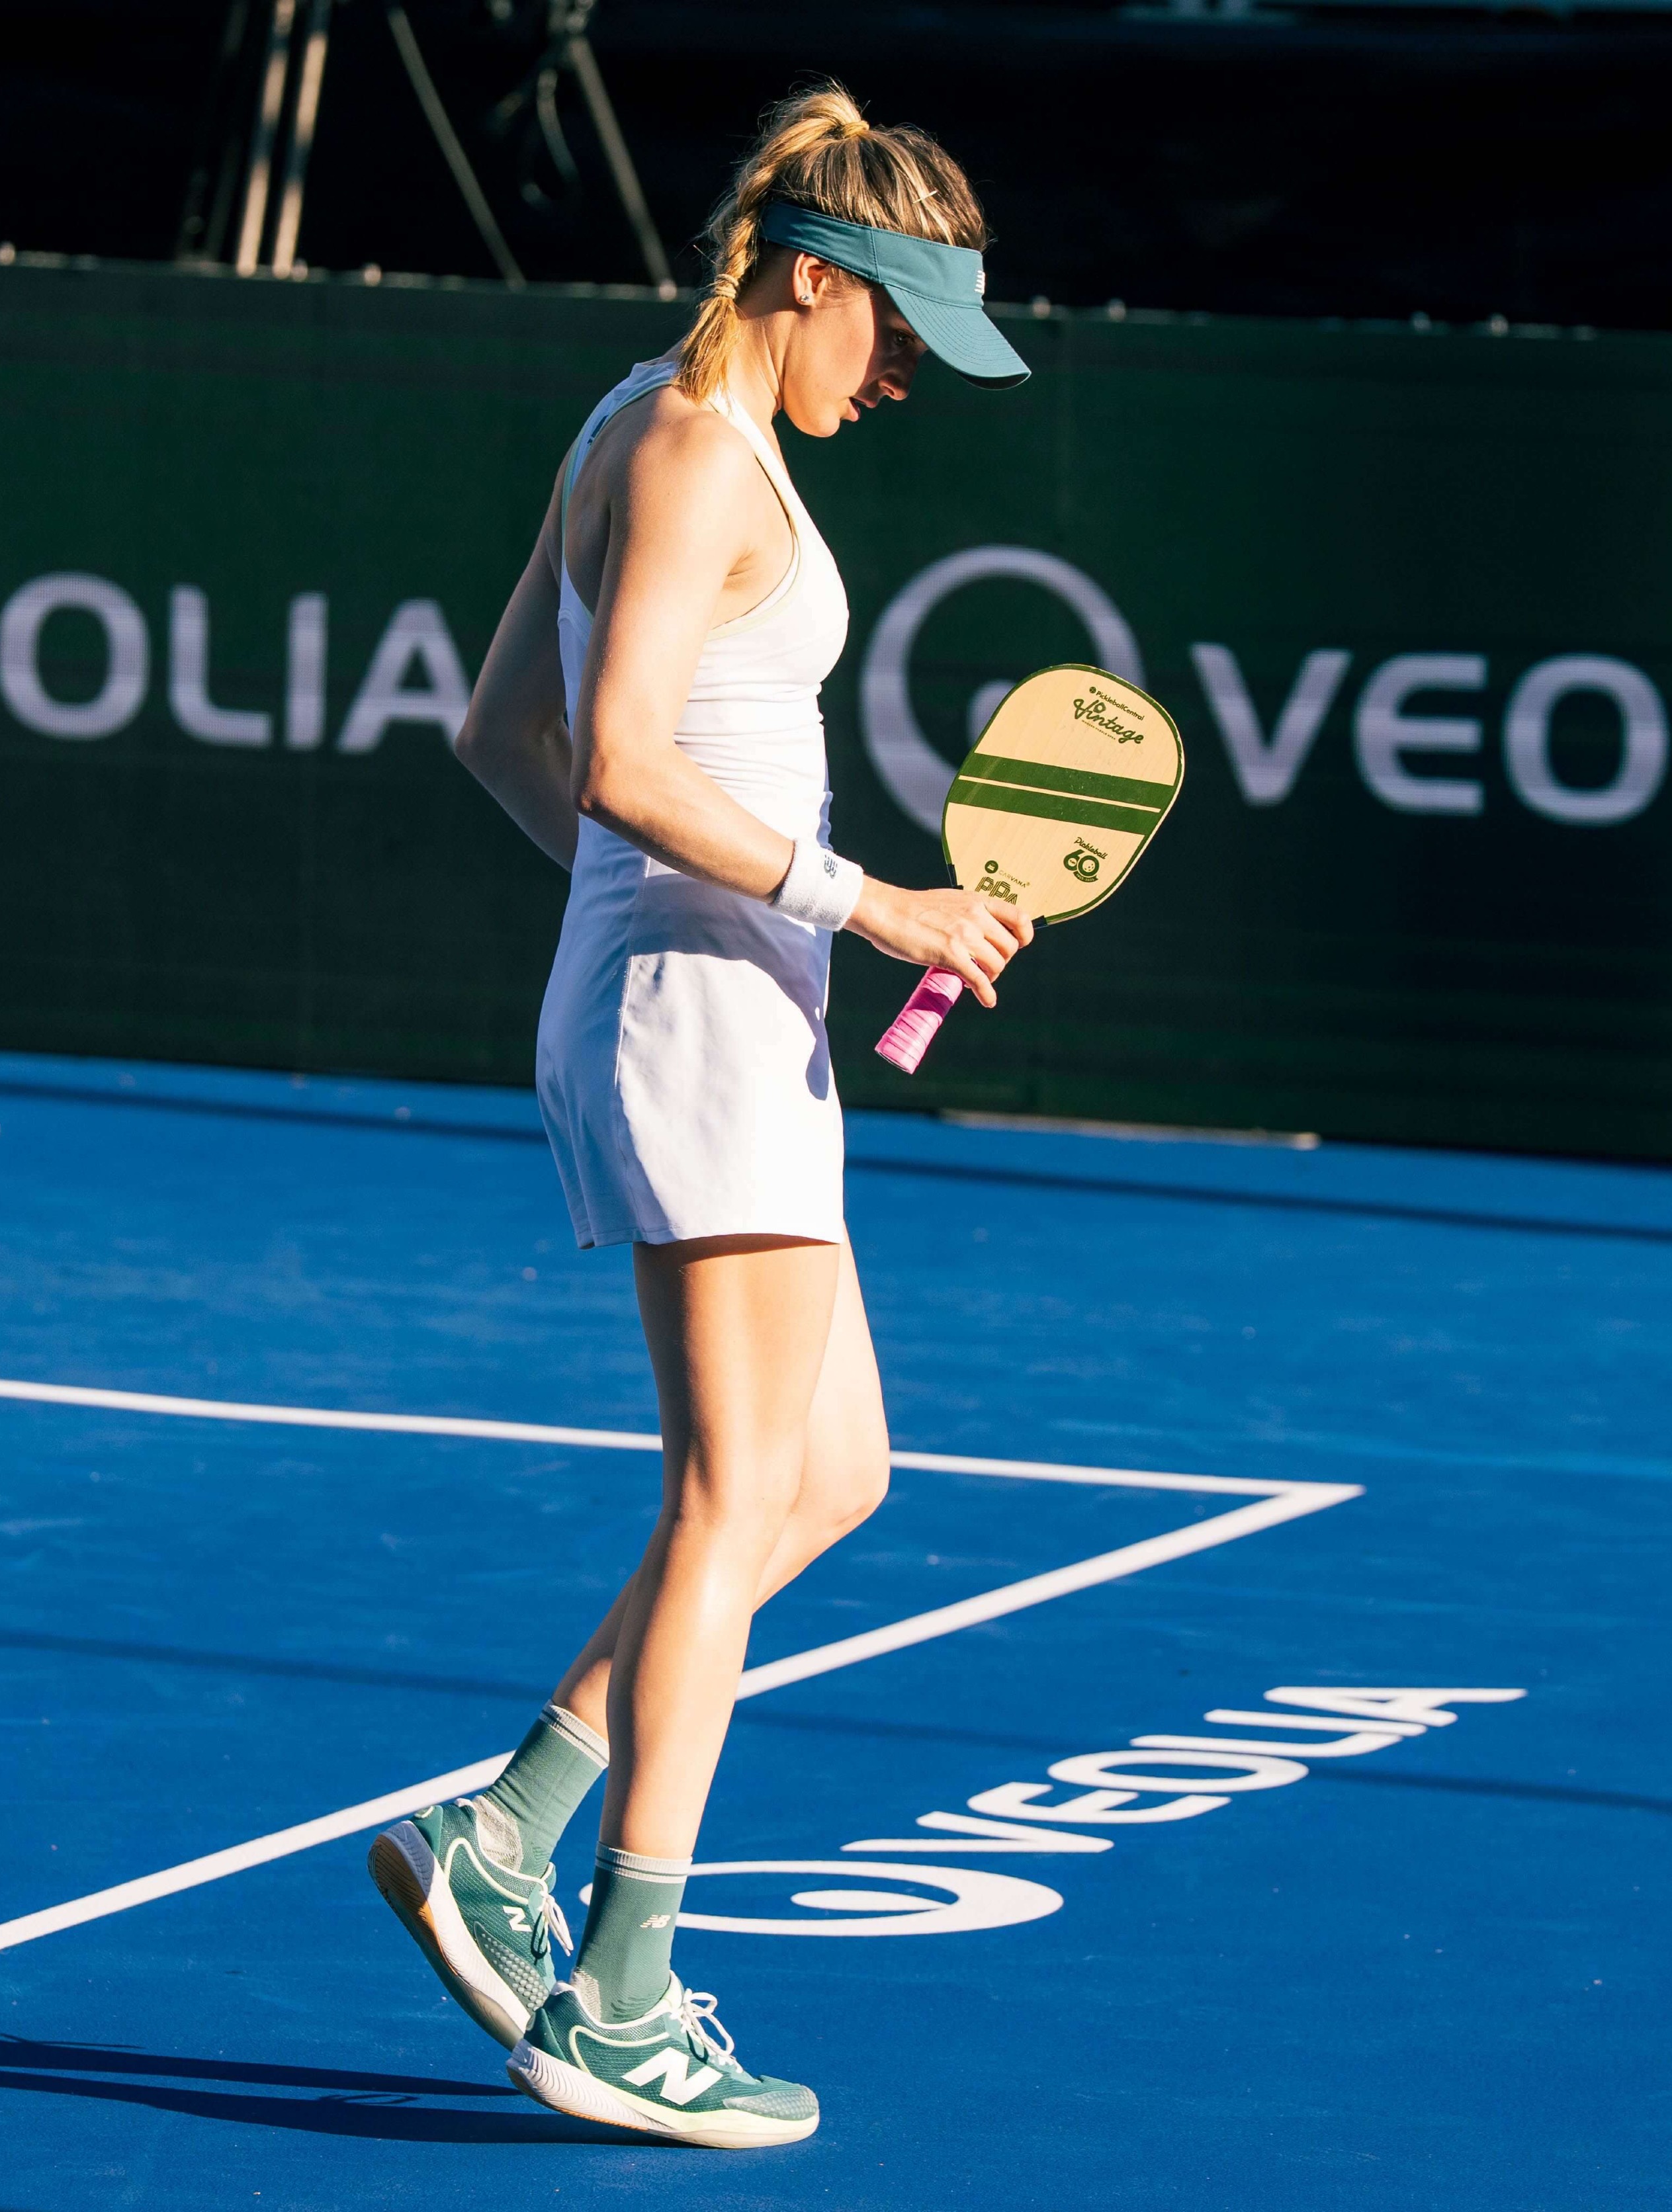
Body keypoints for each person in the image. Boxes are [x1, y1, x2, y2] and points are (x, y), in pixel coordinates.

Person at [366, 84, 1037, 2147]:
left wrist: (652, 938)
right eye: (894, 334)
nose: (901, 377)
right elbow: (612, 758)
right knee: (729, 1495)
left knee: (831, 1474)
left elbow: (504, 726)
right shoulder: (684, 447)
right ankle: (619, 1997)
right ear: (819, 281)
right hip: (702, 1017)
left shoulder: (642, 420)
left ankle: (508, 1833)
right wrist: (857, 900)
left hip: (713, 1005)